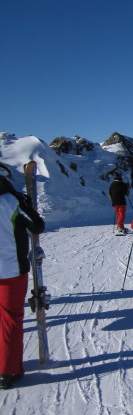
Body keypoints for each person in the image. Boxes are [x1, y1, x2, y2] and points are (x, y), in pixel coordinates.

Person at [0, 163, 45, 389]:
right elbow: (37, 225)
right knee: (10, 319)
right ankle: (7, 370)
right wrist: (26, 203)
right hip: (11, 269)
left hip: (10, 269)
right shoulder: (12, 201)